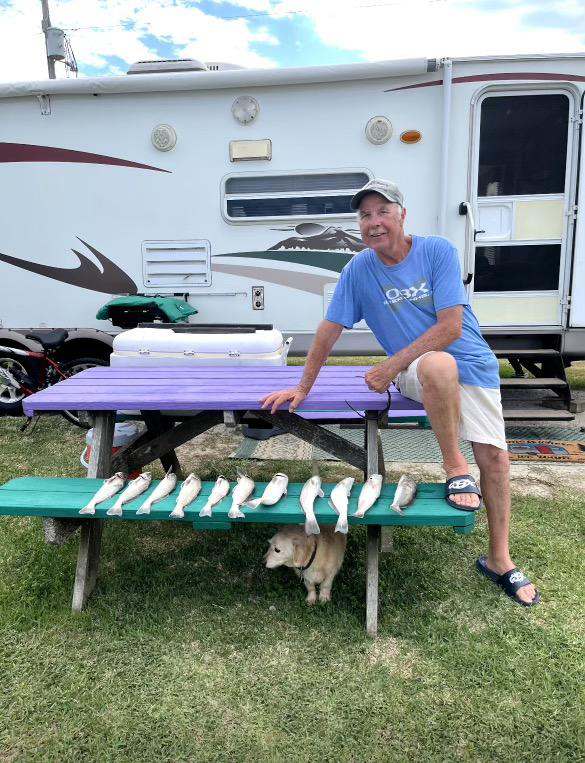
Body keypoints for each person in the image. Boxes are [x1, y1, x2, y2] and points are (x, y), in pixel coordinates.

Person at [261, 178, 540, 607]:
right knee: (438, 364)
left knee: (497, 460)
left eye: (382, 212)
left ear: (402, 215)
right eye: (365, 215)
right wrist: (302, 386)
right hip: (423, 370)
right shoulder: (358, 269)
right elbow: (329, 329)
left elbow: (451, 327)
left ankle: (499, 559)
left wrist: (388, 364)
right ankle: (454, 467)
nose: (374, 223)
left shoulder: (437, 251)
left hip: (475, 367)